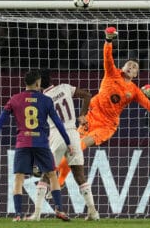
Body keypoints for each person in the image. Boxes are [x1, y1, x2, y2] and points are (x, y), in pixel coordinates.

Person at [56, 26, 150, 187]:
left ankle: (51, 171)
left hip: (106, 125)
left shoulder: (135, 91)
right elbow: (107, 56)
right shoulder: (112, 72)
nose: (131, 67)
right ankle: (60, 181)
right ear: (123, 67)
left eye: (134, 68)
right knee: (72, 149)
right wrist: (108, 40)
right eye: (129, 65)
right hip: (90, 117)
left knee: (78, 146)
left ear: (136, 75)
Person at [0, 70, 72, 222]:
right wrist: (68, 142)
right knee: (52, 175)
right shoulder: (46, 100)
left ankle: (18, 214)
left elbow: (1, 120)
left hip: (23, 143)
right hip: (41, 143)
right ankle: (59, 209)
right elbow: (58, 123)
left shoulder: (14, 99)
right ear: (38, 83)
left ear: (25, 83)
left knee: (19, 178)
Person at [26, 69, 99, 221]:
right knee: (80, 175)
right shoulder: (65, 87)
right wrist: (82, 115)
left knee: (47, 175)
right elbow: (87, 94)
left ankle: (37, 214)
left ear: (39, 83)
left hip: (57, 136)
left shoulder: (41, 98)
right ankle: (93, 212)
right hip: (73, 134)